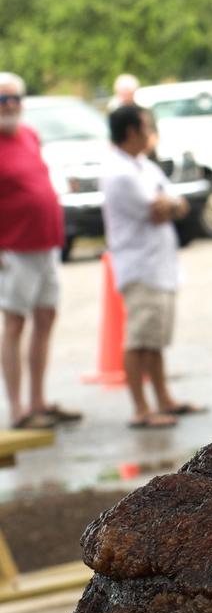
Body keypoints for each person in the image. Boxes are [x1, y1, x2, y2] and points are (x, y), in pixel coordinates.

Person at [101, 105, 203, 429]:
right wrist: (170, 205)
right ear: (132, 131)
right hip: (140, 265)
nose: (150, 132)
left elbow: (176, 203)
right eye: (146, 126)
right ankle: (141, 408)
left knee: (155, 339)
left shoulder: (143, 166)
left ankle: (163, 398)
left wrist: (170, 204)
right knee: (139, 339)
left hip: (159, 265)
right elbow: (157, 209)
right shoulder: (120, 173)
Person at [0, 72, 81, 430]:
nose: (11, 106)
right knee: (15, 322)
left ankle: (38, 401)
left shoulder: (29, 134)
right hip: (13, 247)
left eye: (16, 98)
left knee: (45, 317)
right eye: (3, 100)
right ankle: (17, 408)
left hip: (45, 242)